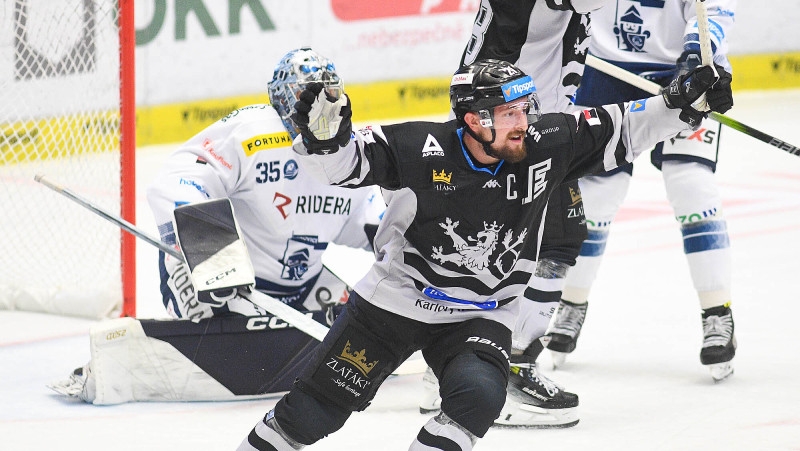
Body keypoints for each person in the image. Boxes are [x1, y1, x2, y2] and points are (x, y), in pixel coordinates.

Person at [237, 56, 733, 450]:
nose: (525, 122)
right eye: (511, 114)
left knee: (478, 397)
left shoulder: (544, 142)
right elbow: (345, 165)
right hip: (395, 304)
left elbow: (626, 127)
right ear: (475, 120)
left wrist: (685, 101)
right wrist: (325, 140)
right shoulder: (418, 147)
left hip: (482, 312)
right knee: (312, 412)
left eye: (526, 109)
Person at [48, 47, 383, 404]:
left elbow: (370, 218)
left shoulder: (349, 153)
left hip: (303, 285)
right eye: (308, 96)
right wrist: (213, 257)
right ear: (284, 96)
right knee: (198, 280)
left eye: (328, 97)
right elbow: (180, 178)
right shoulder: (252, 132)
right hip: (233, 284)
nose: (319, 108)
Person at [419, 0, 614, 428]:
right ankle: (505, 366)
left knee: (535, 241)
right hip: (510, 126)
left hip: (507, 118)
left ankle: (462, 366)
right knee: (546, 241)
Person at [547, 0, 738, 382]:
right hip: (604, 72)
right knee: (597, 194)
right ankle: (572, 300)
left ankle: (717, 311)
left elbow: (715, 9)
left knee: (691, 183)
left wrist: (695, 56)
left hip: (685, 69)